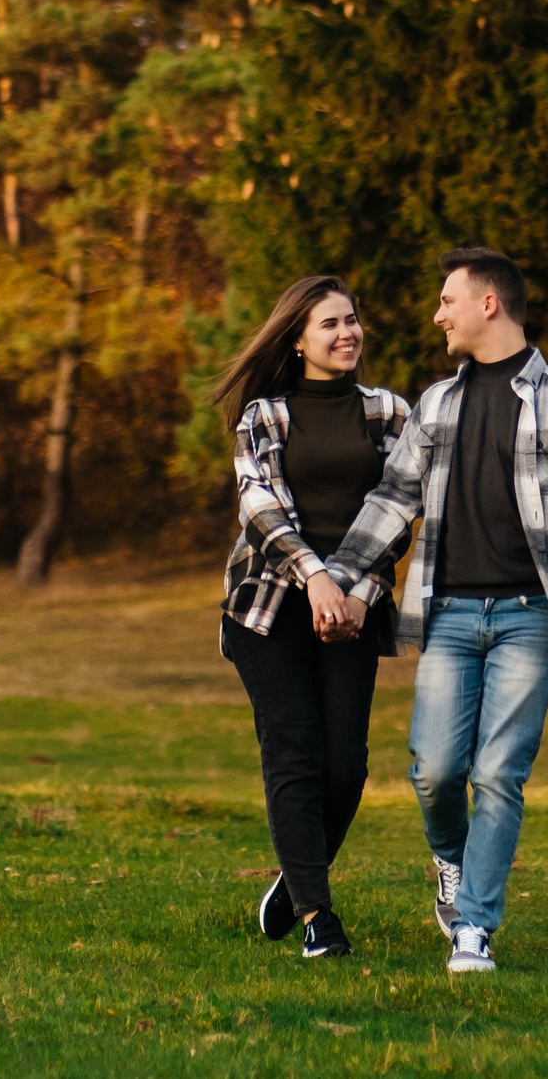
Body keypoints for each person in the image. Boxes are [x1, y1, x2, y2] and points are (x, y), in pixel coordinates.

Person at [322, 246, 548, 974]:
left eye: (448, 299)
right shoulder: (437, 403)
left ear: (488, 303)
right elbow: (394, 502)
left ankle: (474, 929)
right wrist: (336, 575)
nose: (437, 314)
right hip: (449, 615)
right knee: (434, 770)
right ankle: (451, 865)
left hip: (530, 616)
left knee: (497, 773)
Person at [212, 275, 409, 961]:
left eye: (352, 320)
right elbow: (260, 507)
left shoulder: (388, 413)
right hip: (269, 607)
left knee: (346, 767)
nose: (346, 333)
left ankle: (295, 879)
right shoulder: (264, 415)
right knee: (294, 751)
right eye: (329, 324)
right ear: (297, 339)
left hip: (354, 607)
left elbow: (399, 508)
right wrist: (316, 577)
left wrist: (354, 590)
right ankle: (317, 915)